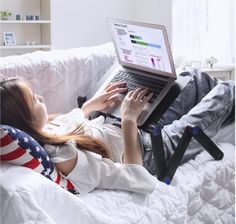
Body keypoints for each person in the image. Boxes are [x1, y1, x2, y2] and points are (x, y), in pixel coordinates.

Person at [0, 71, 235, 194]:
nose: (41, 98)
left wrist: (89, 106)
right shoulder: (66, 158)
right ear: (25, 119)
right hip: (152, 154)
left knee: (195, 80)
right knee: (227, 89)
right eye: (34, 99)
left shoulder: (46, 131)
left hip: (134, 133)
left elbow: (70, 123)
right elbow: (139, 179)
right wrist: (129, 119)